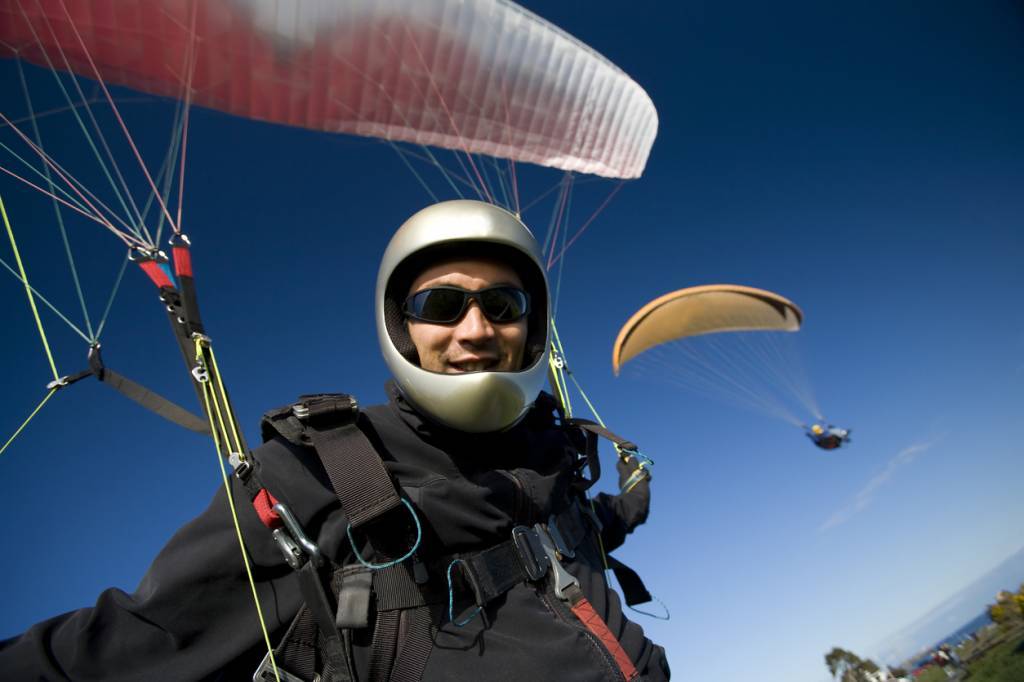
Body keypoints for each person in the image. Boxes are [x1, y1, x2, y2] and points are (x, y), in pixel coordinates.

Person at [1, 200, 669, 681]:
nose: (475, 330)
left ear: (534, 326)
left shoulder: (552, 459)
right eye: (441, 306)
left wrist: (631, 498)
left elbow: (579, 532)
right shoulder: (314, 475)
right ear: (401, 326)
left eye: (504, 305)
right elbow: (139, 642)